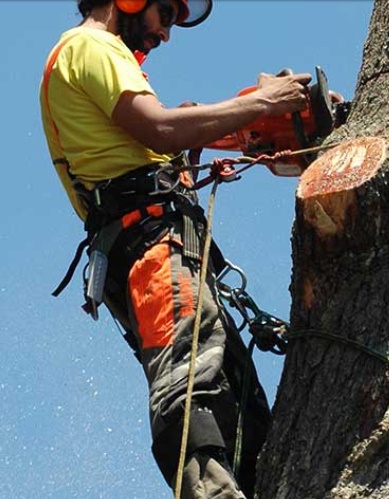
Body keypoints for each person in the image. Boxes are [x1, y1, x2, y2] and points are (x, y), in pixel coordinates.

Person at [39, 1, 310, 497]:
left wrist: (260, 123)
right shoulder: (91, 45)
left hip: (162, 248)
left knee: (240, 406)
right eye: (164, 13)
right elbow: (161, 127)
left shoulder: (91, 61)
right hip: (150, 249)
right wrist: (263, 103)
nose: (165, 34)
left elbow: (165, 132)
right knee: (191, 387)